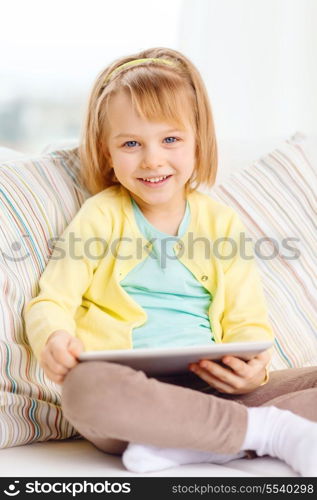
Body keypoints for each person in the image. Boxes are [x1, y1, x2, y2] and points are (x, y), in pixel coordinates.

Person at [24, 47, 317, 476]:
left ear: (198, 141)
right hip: (129, 393)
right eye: (130, 144)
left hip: (213, 391)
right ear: (106, 153)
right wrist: (53, 337)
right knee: (85, 389)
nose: (152, 159)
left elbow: (247, 322)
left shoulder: (221, 223)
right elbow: (51, 301)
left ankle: (193, 443)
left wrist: (253, 374)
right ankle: (266, 433)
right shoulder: (101, 216)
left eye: (171, 139)